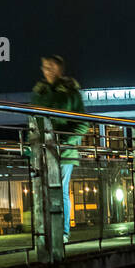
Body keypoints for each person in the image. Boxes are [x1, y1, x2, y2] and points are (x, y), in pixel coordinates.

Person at [31, 55, 87, 241]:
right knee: (44, 190)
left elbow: (82, 123)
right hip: (43, 149)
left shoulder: (71, 93)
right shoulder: (40, 93)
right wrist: (30, 148)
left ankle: (62, 232)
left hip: (64, 151)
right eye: (44, 67)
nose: (47, 70)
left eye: (51, 67)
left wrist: (66, 141)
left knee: (60, 190)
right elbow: (33, 121)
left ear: (60, 70)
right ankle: (46, 230)